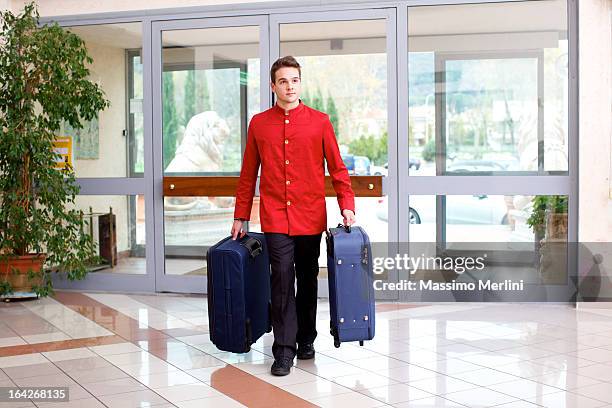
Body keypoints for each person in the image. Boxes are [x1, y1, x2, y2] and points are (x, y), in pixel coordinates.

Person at [231, 56, 356, 376]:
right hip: (275, 216)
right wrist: (240, 214)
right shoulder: (259, 123)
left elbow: (338, 169)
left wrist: (347, 206)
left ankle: (306, 339)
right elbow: (248, 174)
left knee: (308, 279)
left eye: (295, 80)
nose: (290, 86)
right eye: (283, 81)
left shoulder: (320, 121)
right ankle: (283, 350)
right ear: (273, 86)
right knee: (282, 279)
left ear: (300, 83)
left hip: (310, 215)